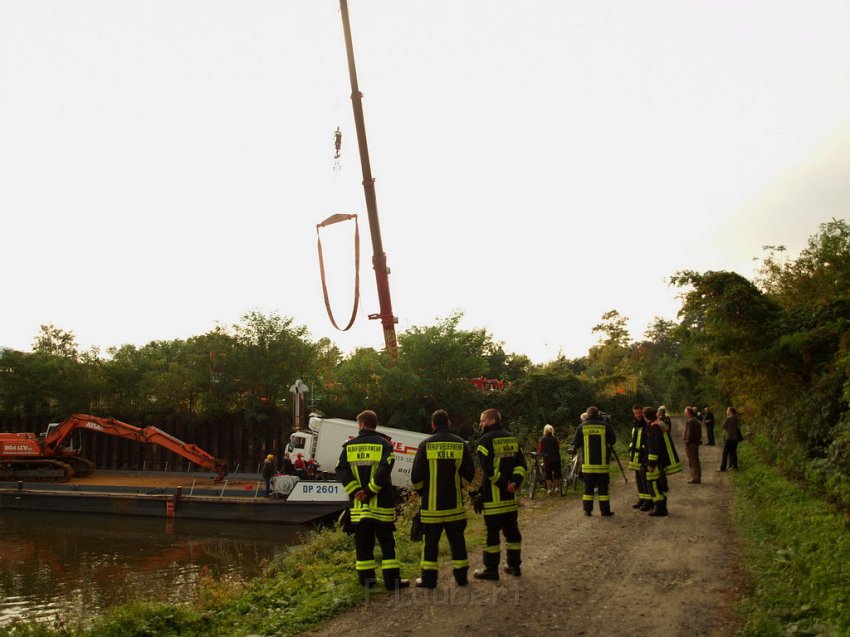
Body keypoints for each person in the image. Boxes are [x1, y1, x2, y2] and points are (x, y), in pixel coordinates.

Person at [335, 409, 409, 590]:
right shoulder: (385, 444)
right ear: (374, 424)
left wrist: (357, 492)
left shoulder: (349, 446)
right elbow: (385, 469)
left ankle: (367, 582)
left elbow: (341, 471)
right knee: (387, 544)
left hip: (359, 507)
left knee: (363, 544)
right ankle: (392, 581)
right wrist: (371, 490)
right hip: (382, 504)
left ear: (361, 424)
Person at [410, 409, 476, 589]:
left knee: (430, 544)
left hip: (431, 508)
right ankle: (461, 578)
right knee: (458, 542)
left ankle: (429, 580)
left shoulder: (425, 445)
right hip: (454, 506)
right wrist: (460, 486)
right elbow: (469, 473)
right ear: (448, 423)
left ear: (432, 425)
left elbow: (416, 477)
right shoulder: (460, 444)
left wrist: (423, 492)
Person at [473, 408, 526, 580]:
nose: (481, 424)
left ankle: (491, 570)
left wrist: (504, 484)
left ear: (492, 421)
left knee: (492, 535)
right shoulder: (512, 438)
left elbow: (488, 469)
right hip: (510, 499)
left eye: (482, 421)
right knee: (512, 532)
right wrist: (515, 483)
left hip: (493, 499)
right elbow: (521, 465)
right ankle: (514, 566)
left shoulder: (485, 440)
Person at [572, 406, 616, 517]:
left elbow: (575, 443)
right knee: (603, 490)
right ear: (598, 415)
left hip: (588, 465)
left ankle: (588, 511)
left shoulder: (582, 427)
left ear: (588, 415)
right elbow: (613, 440)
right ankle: (605, 511)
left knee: (588, 489)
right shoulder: (605, 426)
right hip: (602, 466)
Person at [643, 405, 683, 516]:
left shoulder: (653, 427)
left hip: (656, 462)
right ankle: (660, 507)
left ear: (645, 416)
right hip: (661, 460)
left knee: (653, 484)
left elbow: (654, 447)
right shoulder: (660, 423)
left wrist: (651, 464)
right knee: (658, 483)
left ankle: (660, 508)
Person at [627, 404, 652, 510]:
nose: (637, 415)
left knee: (645, 480)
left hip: (644, 456)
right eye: (635, 413)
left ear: (643, 412)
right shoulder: (635, 424)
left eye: (639, 413)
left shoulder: (647, 424)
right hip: (636, 456)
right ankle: (642, 499)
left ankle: (648, 502)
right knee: (638, 479)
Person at [538, 424, 562, 496]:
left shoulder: (542, 439)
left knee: (548, 475)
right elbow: (558, 447)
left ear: (544, 431)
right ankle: (557, 488)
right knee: (557, 473)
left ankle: (549, 490)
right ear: (552, 431)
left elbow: (541, 449)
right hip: (556, 458)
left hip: (547, 459)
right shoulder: (555, 439)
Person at [718, 407, 741, 471]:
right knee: (733, 452)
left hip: (729, 437)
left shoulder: (729, 418)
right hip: (735, 438)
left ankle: (723, 467)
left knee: (725, 453)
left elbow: (723, 426)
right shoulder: (736, 418)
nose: (727, 412)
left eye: (727, 411)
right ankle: (734, 466)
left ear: (730, 411)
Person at [683, 406, 702, 484]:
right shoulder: (695, 420)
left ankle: (695, 478)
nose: (684, 413)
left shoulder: (690, 421)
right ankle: (696, 477)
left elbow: (689, 433)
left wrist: (687, 441)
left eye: (685, 411)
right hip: (695, 442)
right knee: (695, 460)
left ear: (688, 412)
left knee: (693, 461)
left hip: (691, 444)